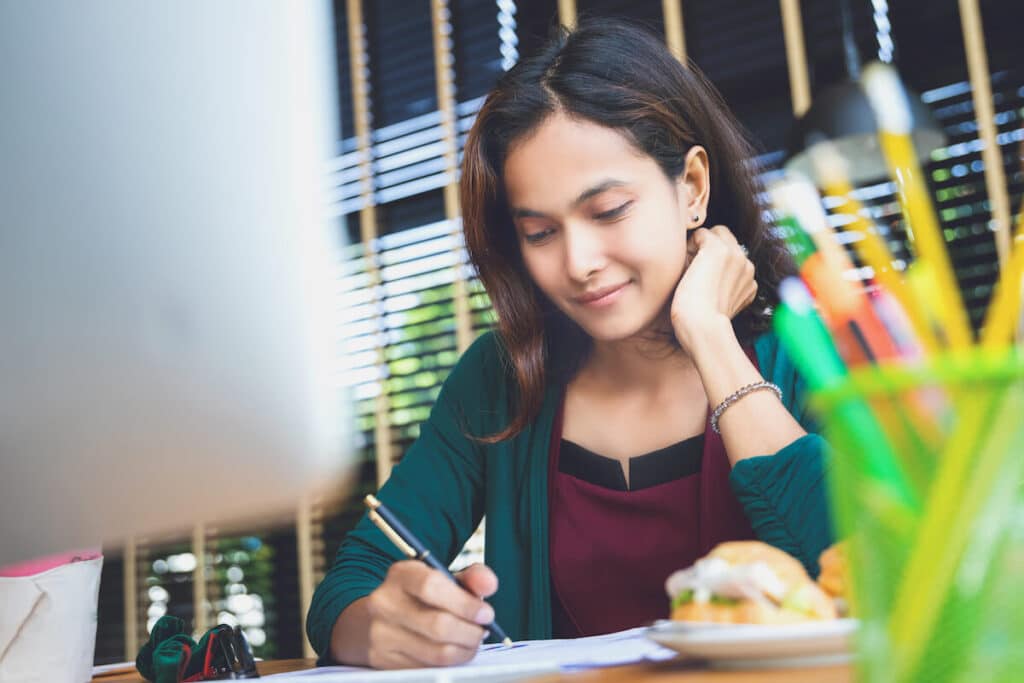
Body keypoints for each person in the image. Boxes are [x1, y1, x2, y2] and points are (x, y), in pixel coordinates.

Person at [307, 18, 833, 669]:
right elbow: (349, 586)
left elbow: (876, 574)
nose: (579, 262)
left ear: (693, 188)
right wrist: (379, 625)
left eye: (608, 210)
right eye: (540, 232)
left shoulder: (809, 349)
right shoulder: (499, 379)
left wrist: (709, 335)